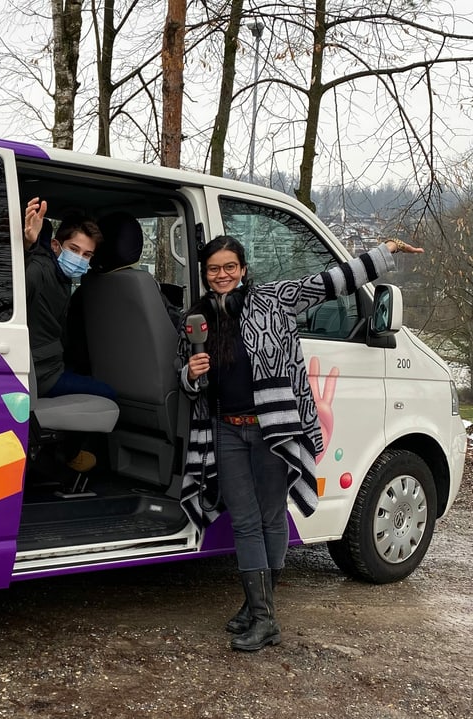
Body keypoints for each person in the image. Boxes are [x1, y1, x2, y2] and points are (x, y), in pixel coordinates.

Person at [178, 235, 424, 652]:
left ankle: (262, 614)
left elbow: (331, 282)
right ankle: (261, 612)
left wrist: (384, 253)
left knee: (272, 517)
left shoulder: (274, 299)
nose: (222, 276)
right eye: (213, 269)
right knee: (244, 520)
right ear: (205, 273)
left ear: (242, 268)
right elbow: (185, 385)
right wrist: (191, 372)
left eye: (229, 267)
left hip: (273, 428)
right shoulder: (196, 319)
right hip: (224, 427)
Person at [24, 196, 115, 472]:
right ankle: (72, 457)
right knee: (107, 393)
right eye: (74, 249)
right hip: (43, 375)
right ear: (55, 246)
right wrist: (27, 243)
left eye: (87, 255)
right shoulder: (41, 270)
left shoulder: (61, 278)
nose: (80, 259)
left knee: (81, 372)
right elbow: (19, 283)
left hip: (48, 366)